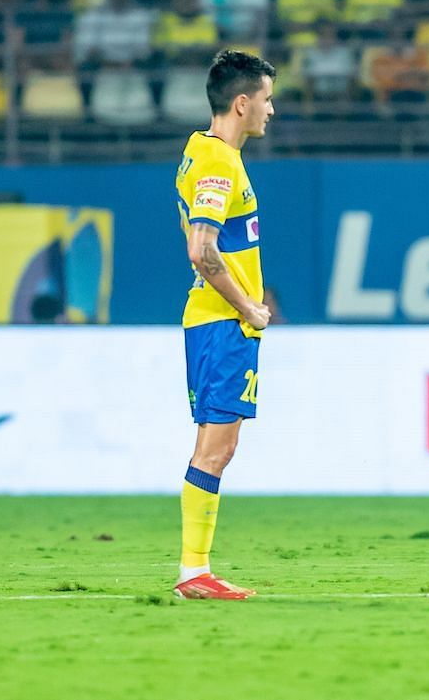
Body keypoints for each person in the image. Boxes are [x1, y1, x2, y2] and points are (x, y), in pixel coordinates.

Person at [173, 49, 276, 600]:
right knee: (215, 447)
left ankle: (196, 569)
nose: (270, 110)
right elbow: (202, 249)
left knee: (219, 445)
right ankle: (194, 572)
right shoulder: (218, 163)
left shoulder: (202, 153)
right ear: (242, 102)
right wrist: (248, 307)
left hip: (214, 323)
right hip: (220, 322)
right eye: (265, 99)